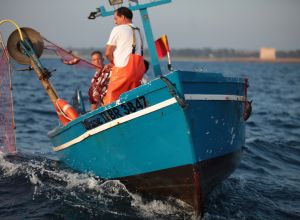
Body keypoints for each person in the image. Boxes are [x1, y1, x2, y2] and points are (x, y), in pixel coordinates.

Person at [102, 7, 146, 105]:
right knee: (132, 100)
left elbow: (108, 52)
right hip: (138, 71)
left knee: (110, 101)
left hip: (122, 72)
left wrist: (112, 63)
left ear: (122, 17)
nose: (115, 22)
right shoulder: (139, 30)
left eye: (116, 18)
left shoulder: (118, 29)